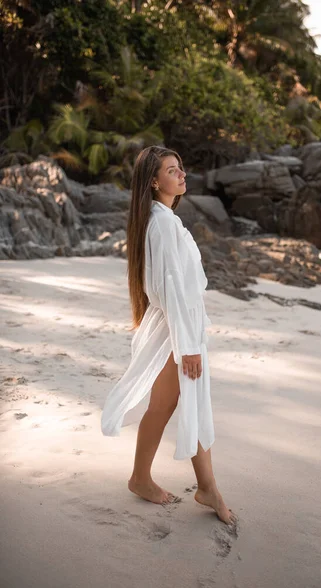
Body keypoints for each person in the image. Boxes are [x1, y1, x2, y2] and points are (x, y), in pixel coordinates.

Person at [101, 145, 236, 525]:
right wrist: (187, 347)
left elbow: (177, 286)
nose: (181, 175)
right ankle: (196, 487)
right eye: (172, 170)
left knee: (170, 406)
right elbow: (173, 287)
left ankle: (152, 479)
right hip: (176, 329)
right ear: (154, 181)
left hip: (179, 324)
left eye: (180, 168)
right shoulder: (160, 223)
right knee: (184, 403)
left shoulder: (165, 219)